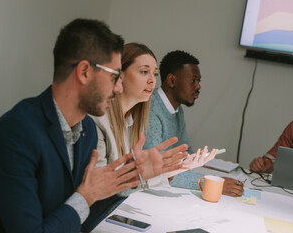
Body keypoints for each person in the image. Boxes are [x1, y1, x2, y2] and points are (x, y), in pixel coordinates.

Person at [0, 19, 169, 233]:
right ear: (84, 72)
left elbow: (79, 222)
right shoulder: (16, 133)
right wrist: (86, 196)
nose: (119, 88)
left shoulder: (86, 131)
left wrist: (130, 178)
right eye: (114, 76)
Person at [91, 43, 215, 191]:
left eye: (155, 74)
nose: (152, 80)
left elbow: (139, 180)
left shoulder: (132, 120)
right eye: (144, 72)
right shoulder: (98, 120)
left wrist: (182, 166)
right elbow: (100, 189)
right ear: (119, 75)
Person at [143, 50, 244, 197]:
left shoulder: (177, 110)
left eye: (199, 81)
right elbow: (158, 171)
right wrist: (210, 183)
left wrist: (207, 165)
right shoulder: (151, 110)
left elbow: (187, 154)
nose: (198, 86)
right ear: (172, 80)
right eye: (193, 80)